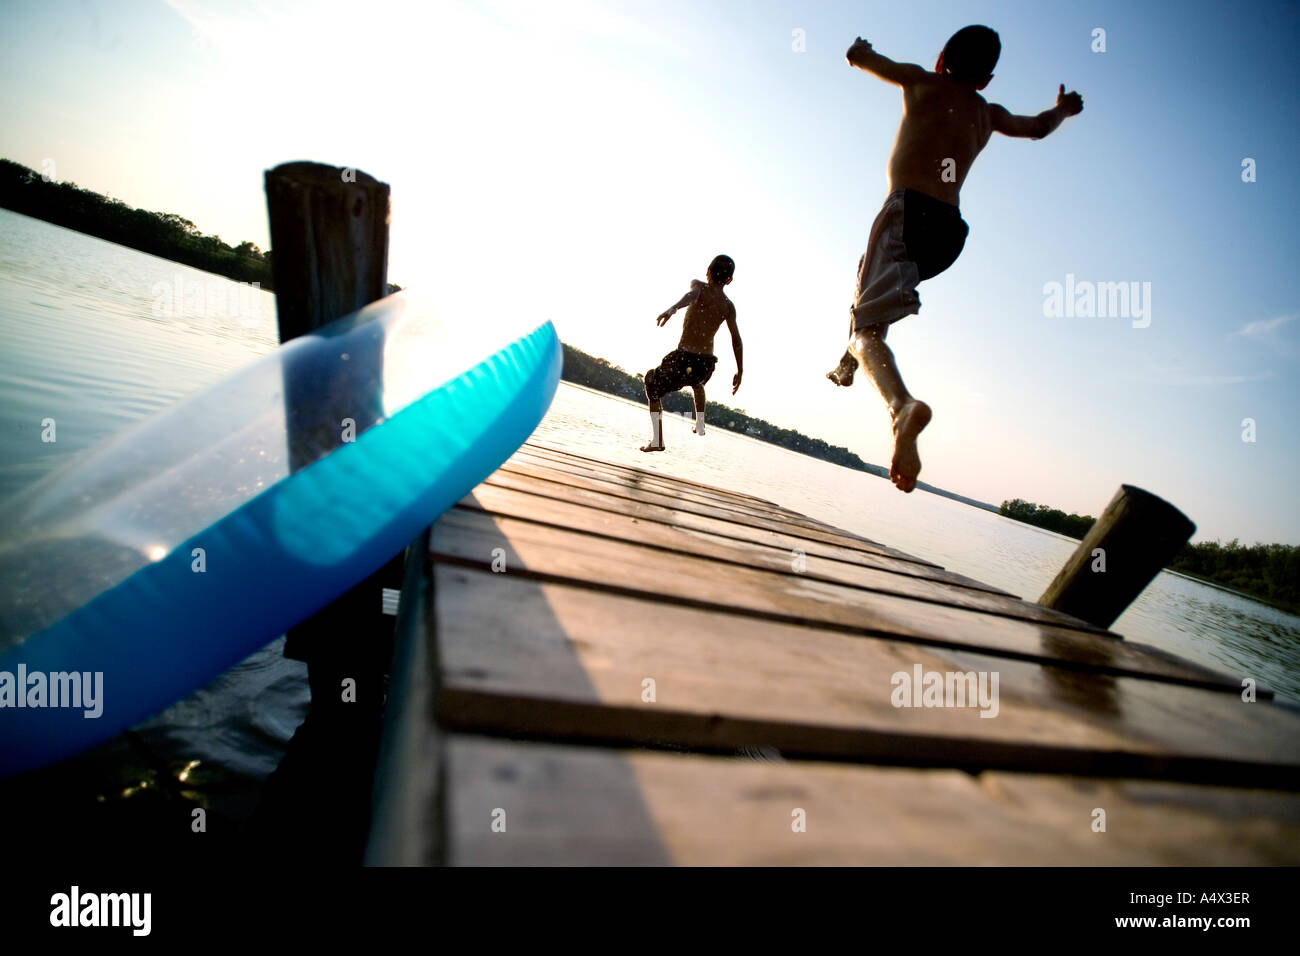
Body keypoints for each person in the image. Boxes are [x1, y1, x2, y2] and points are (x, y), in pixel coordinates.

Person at [826, 25, 1083, 491]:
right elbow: (1038, 128)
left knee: (868, 328)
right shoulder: (988, 112)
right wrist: (1063, 109)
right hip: (947, 233)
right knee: (867, 278)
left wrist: (859, 50)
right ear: (986, 80)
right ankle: (848, 362)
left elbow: (861, 59)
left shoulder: (920, 80)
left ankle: (900, 405)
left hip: (906, 212)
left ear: (941, 57)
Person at [641, 254, 742, 452]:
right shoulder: (728, 306)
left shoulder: (699, 286)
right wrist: (740, 370)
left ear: (708, 271)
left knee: (651, 383)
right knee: (697, 382)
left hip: (684, 358)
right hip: (705, 364)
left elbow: (691, 296)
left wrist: (672, 309)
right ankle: (700, 422)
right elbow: (736, 340)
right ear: (729, 280)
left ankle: (657, 440)